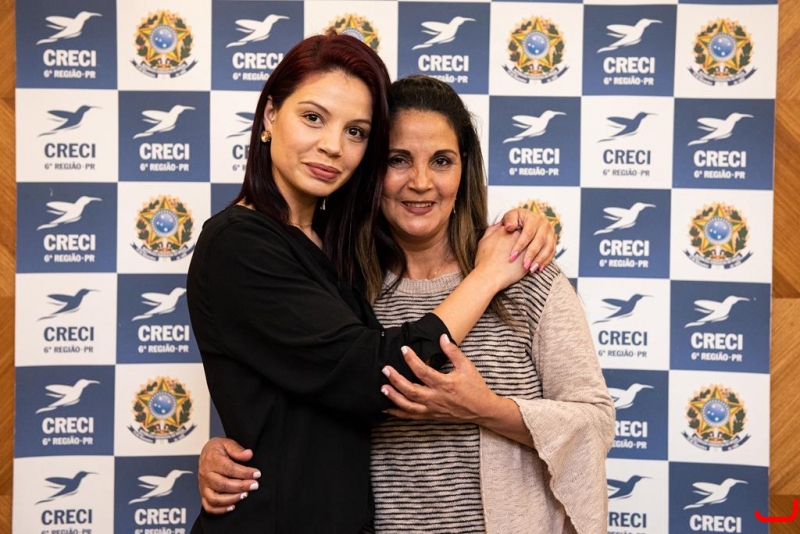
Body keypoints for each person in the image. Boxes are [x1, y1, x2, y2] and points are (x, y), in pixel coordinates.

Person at [198, 75, 615, 533]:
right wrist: (229, 452)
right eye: (397, 160)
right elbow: (300, 402)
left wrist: (487, 408)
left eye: (441, 161)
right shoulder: (344, 285)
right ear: (369, 168)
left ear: (464, 170)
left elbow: (596, 421)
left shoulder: (523, 273)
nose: (420, 182)